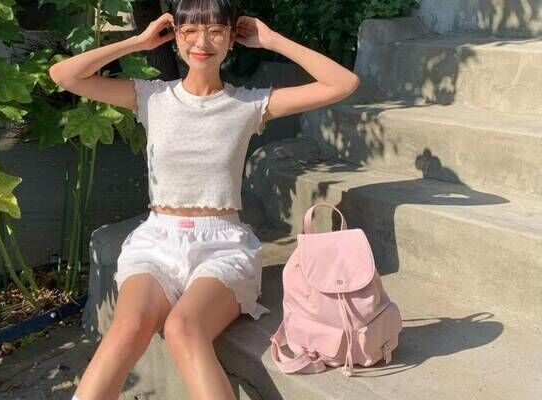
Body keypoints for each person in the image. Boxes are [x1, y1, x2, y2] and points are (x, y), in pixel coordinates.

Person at [49, 0, 359, 399]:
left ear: (232, 37)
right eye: (190, 31)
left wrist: (273, 40)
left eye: (215, 31)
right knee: (127, 328)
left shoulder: (249, 104)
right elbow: (64, 75)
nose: (202, 42)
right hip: (156, 243)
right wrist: (138, 42)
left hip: (222, 245)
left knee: (183, 329)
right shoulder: (151, 97)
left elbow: (343, 83)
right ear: (175, 35)